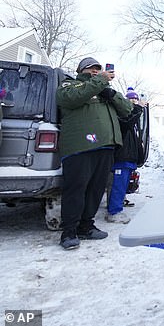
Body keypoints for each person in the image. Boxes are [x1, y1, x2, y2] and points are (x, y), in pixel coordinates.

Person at [56, 57, 132, 250]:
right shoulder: (70, 84)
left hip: (105, 146)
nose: (96, 72)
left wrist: (111, 93)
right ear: (82, 70)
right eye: (92, 69)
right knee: (76, 189)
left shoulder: (103, 90)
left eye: (98, 69)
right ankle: (69, 232)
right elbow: (70, 99)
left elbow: (127, 109)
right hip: (80, 146)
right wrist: (99, 82)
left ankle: (86, 226)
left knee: (95, 190)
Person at [105, 87, 146, 224]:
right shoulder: (121, 114)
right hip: (121, 157)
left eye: (135, 98)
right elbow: (127, 123)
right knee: (118, 185)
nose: (133, 101)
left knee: (121, 185)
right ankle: (114, 212)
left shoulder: (131, 116)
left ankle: (117, 206)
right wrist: (138, 108)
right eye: (130, 99)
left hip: (128, 158)